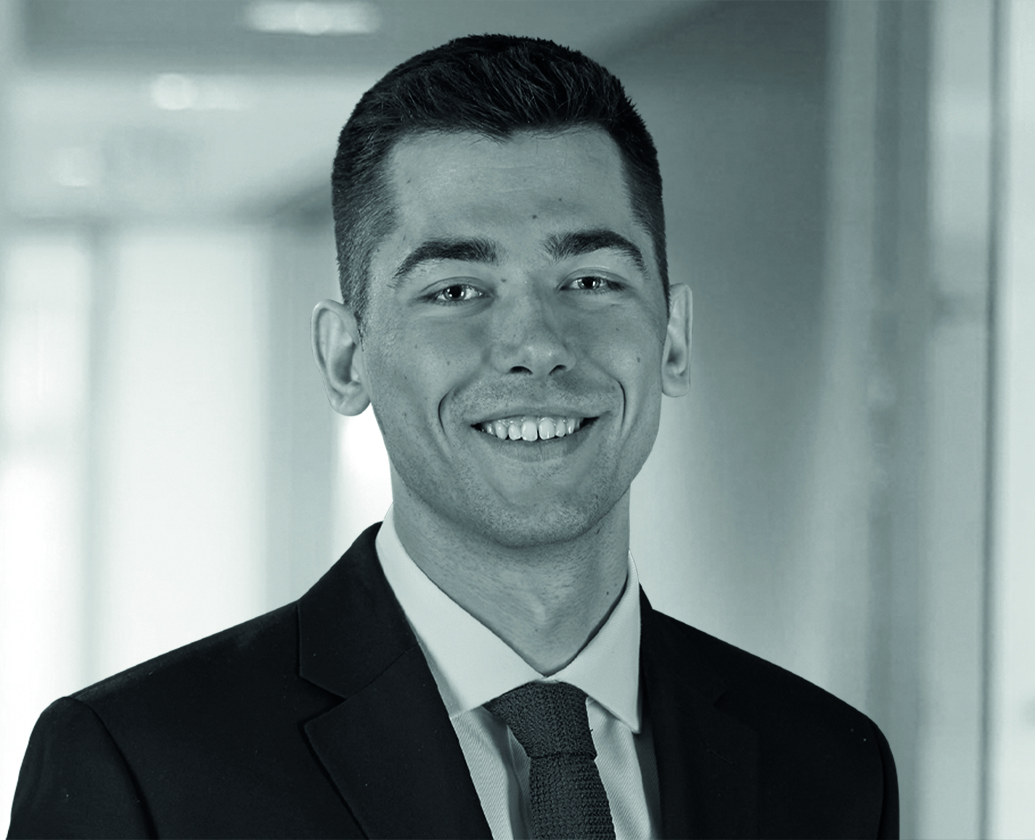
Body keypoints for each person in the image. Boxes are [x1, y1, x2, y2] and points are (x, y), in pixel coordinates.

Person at [8, 35, 897, 839]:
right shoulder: (144, 767)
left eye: (590, 281)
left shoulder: (826, 764)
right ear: (346, 358)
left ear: (671, 337)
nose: (536, 345)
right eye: (455, 291)